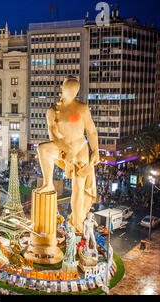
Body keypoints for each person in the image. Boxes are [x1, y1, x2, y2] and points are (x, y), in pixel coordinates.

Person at [35, 76, 99, 233]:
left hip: (81, 149)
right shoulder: (52, 111)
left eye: (74, 89)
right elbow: (53, 136)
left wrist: (96, 150)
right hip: (63, 148)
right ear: (62, 88)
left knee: (78, 187)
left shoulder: (82, 108)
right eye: (68, 88)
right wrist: (67, 150)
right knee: (43, 149)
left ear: (77, 91)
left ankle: (77, 223)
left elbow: (91, 131)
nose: (71, 92)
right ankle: (48, 182)